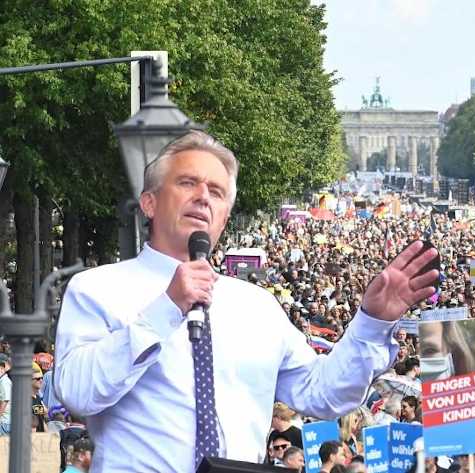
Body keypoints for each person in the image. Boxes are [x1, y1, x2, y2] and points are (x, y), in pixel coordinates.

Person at [54, 131, 440, 471]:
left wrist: (371, 322)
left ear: (224, 216)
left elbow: (322, 393)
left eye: (217, 192)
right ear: (150, 203)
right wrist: (167, 307)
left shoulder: (256, 307)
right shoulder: (97, 289)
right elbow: (77, 392)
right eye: (187, 183)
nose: (202, 197)